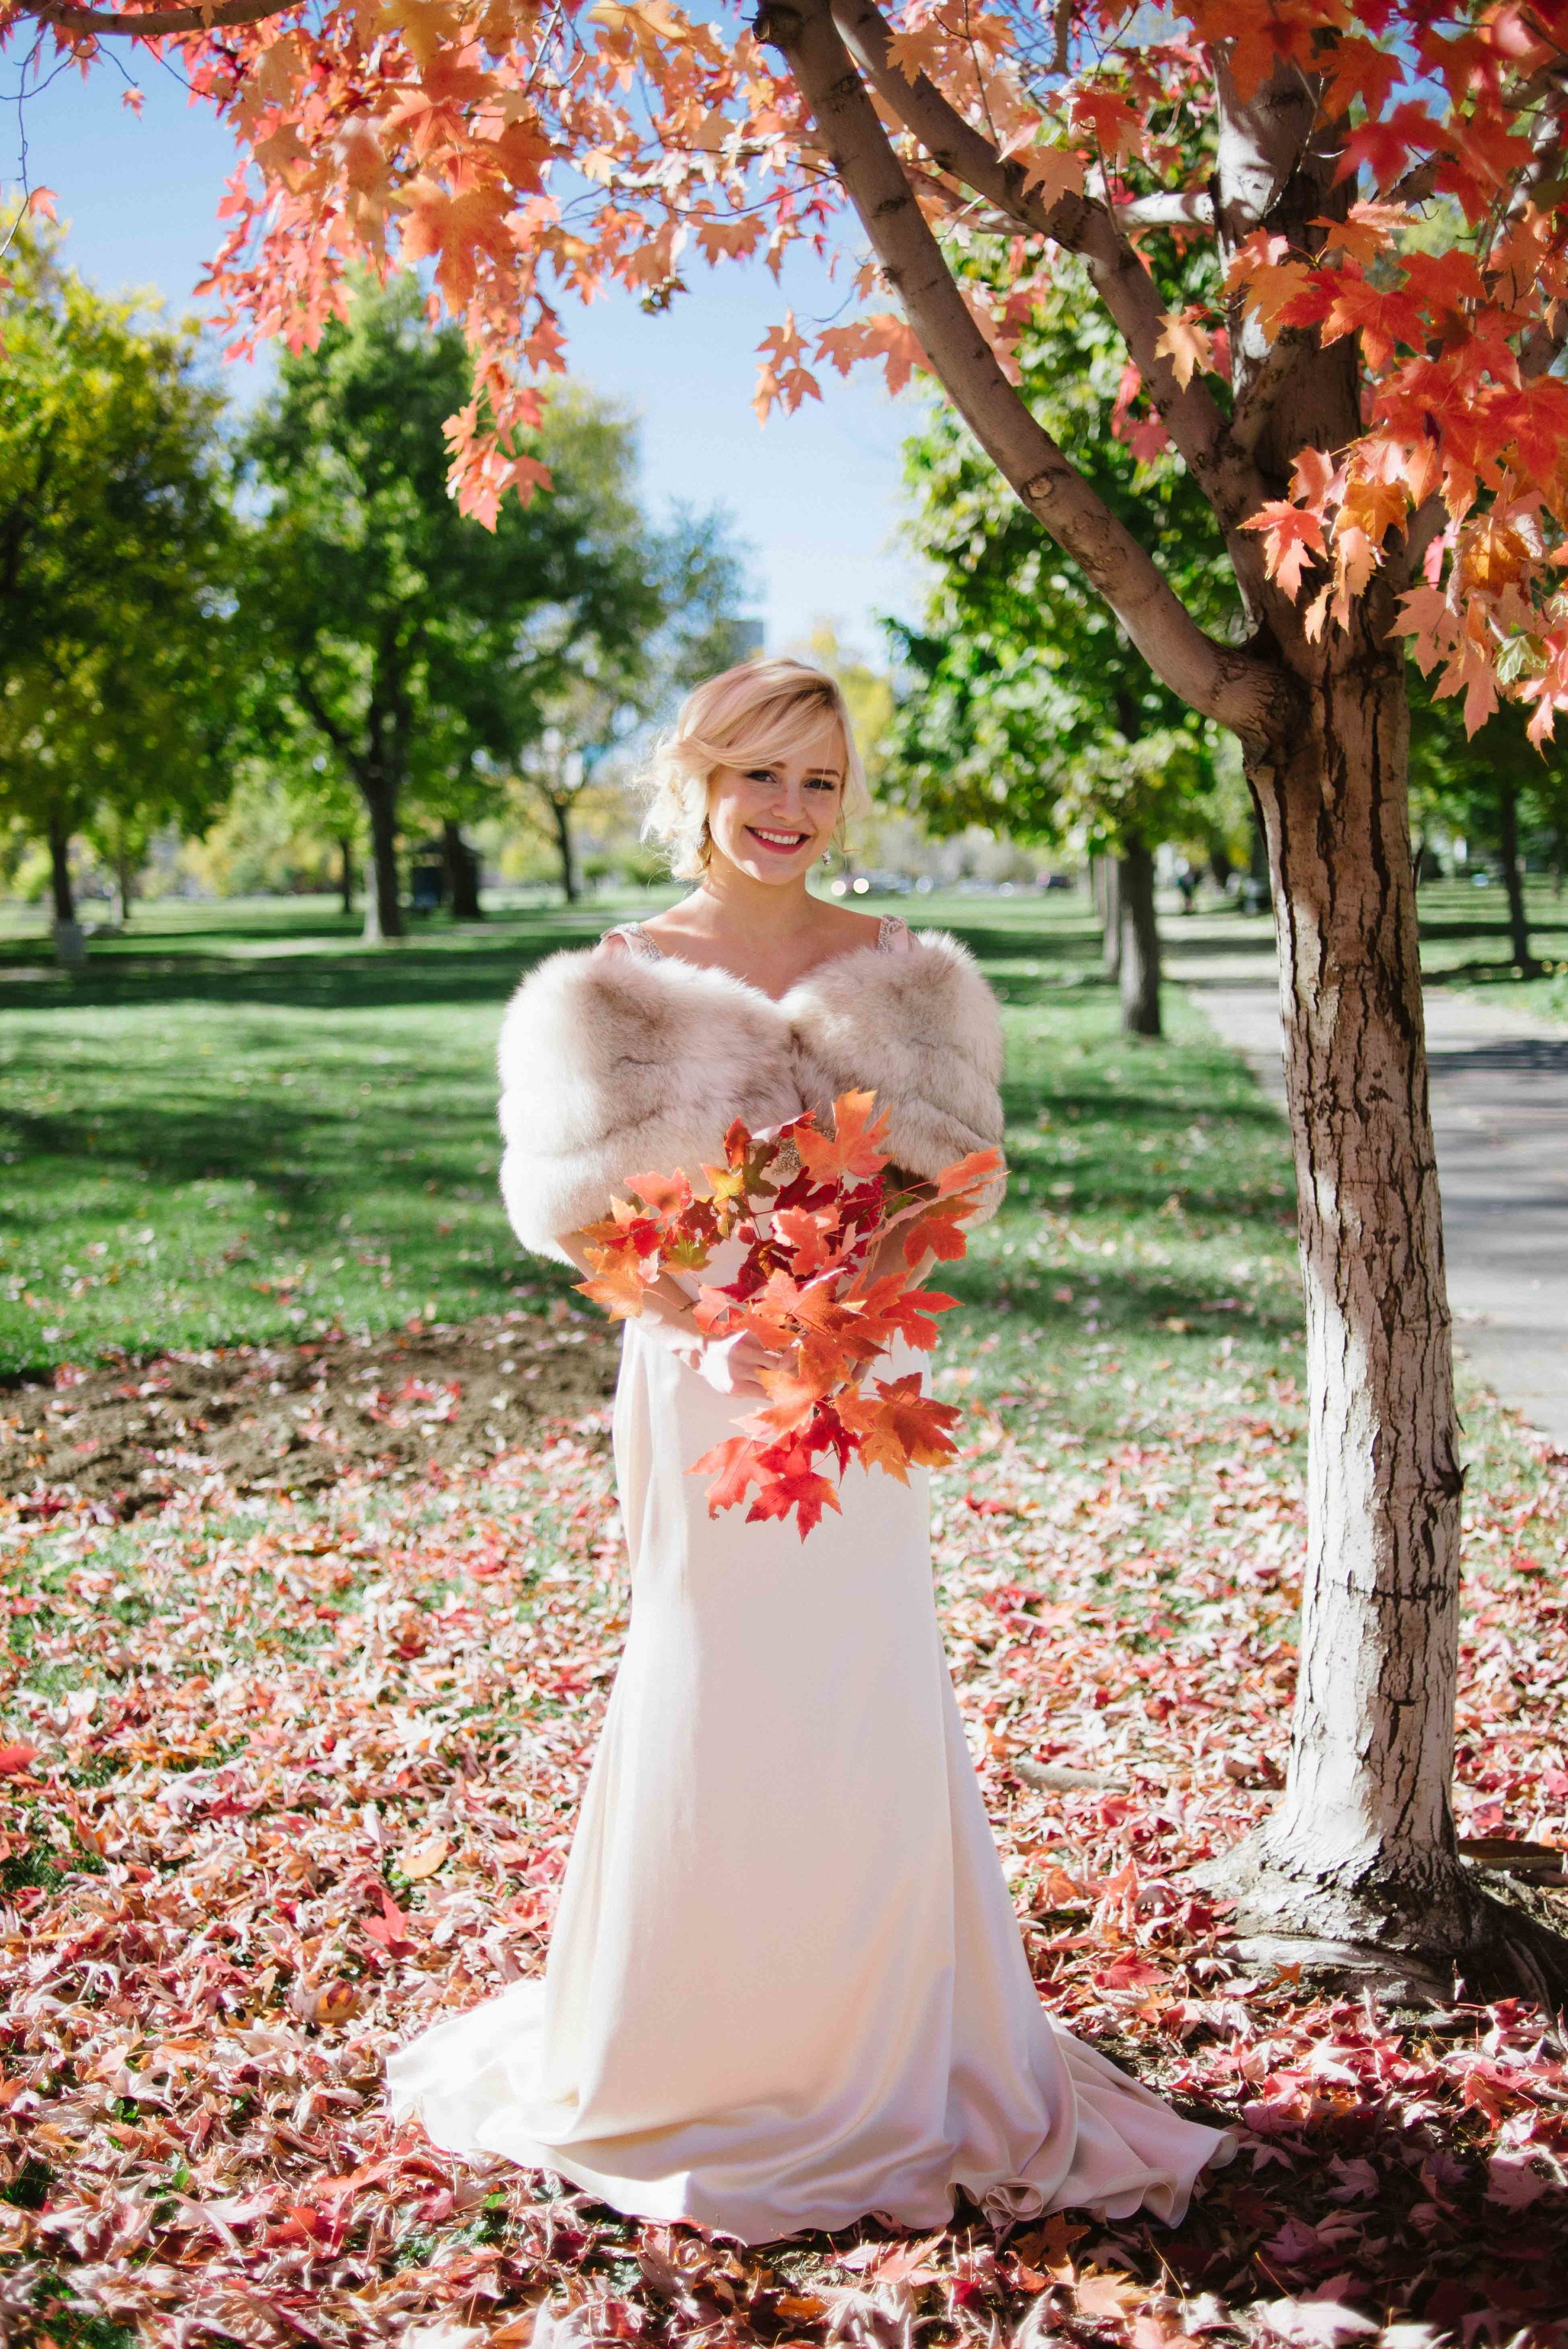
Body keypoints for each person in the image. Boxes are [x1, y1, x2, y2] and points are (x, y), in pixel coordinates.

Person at [386, 659, 1232, 2242]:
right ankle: (691, 2039)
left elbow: (958, 1184)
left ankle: (887, 2044)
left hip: (857, 1384)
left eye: (820, 781)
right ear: (697, 783)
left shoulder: (908, 977)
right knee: (705, 1676)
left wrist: (849, 1288)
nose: (788, 812)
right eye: (760, 776)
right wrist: (712, 1294)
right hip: (702, 1380)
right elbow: (562, 1218)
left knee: (857, 1683)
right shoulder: (613, 986)